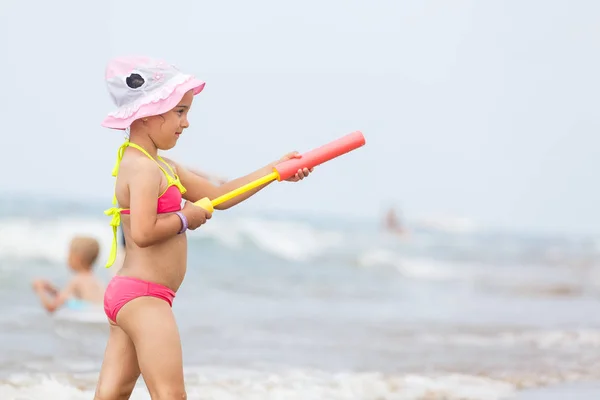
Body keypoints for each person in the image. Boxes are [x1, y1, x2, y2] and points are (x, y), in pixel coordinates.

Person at [94, 56, 313, 400]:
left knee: (113, 393)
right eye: (180, 111)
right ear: (150, 113)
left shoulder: (161, 165)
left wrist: (276, 170)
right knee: (170, 395)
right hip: (144, 298)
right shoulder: (142, 168)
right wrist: (186, 218)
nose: (186, 123)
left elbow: (222, 195)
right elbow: (143, 233)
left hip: (134, 295)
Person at [32, 236, 104, 312]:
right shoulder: (95, 279)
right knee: (70, 302)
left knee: (70, 303)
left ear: (76, 258)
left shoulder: (77, 280)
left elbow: (51, 308)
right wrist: (51, 290)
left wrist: (39, 289)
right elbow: (65, 297)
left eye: (69, 255)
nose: (67, 258)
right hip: (100, 312)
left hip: (90, 314)